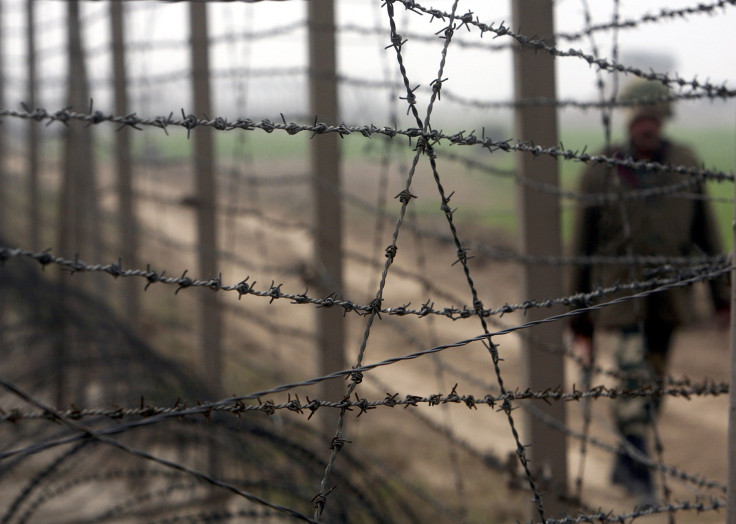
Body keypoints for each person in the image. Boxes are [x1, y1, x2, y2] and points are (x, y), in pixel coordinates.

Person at [569, 78, 730, 504]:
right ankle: (641, 476)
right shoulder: (602, 169)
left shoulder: (684, 163)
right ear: (628, 119)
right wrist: (577, 315)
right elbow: (580, 249)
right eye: (640, 117)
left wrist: (722, 296)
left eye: (654, 117)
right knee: (633, 379)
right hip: (621, 302)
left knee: (651, 386)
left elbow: (707, 234)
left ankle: (626, 462)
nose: (647, 125)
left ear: (664, 120)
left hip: (671, 299)